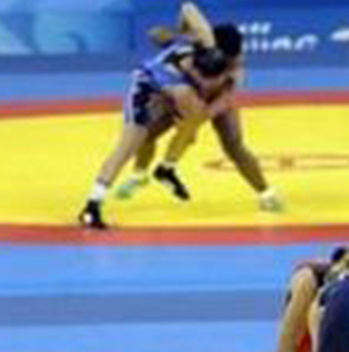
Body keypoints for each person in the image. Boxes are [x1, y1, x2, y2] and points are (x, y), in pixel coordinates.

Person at [79, 4, 230, 230]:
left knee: (190, 128)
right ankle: (92, 206)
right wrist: (187, 124)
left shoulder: (205, 41)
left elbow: (187, 7)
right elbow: (190, 113)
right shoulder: (179, 89)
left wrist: (180, 33)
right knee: (127, 148)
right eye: (207, 79)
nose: (211, 84)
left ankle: (166, 168)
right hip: (145, 93)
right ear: (196, 72)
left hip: (170, 91)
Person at [115, 15, 282, 212]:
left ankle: (266, 193)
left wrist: (194, 122)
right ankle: (139, 175)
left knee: (234, 145)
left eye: (234, 56)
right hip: (183, 97)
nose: (233, 60)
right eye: (227, 56)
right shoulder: (196, 46)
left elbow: (225, 101)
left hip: (213, 102)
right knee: (146, 133)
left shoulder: (235, 69)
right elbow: (155, 34)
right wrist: (179, 34)